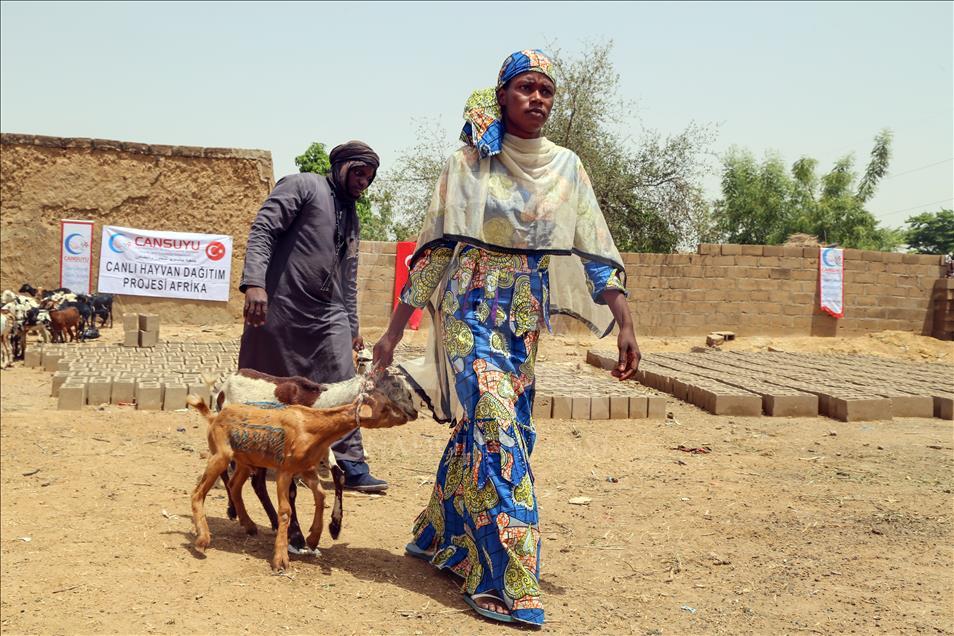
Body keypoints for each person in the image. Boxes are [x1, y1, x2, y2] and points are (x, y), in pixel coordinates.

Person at [372, 50, 640, 627]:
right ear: (502, 96)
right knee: (496, 427)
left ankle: (438, 533)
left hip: (522, 319)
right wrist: (394, 334)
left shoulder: (567, 167)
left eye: (547, 90)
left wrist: (625, 321)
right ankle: (505, 578)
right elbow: (435, 253)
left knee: (499, 428)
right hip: (469, 308)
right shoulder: (467, 164)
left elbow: (595, 250)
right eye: (526, 87)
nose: (538, 98)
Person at [238, 140, 387, 551]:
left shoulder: (352, 216)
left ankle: (352, 464)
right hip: (281, 304)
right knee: (270, 383)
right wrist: (254, 283)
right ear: (340, 167)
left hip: (327, 313)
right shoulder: (302, 186)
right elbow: (264, 228)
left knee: (344, 379)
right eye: (359, 173)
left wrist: (353, 324)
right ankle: (254, 454)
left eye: (370, 177)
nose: (364, 182)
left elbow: (350, 272)